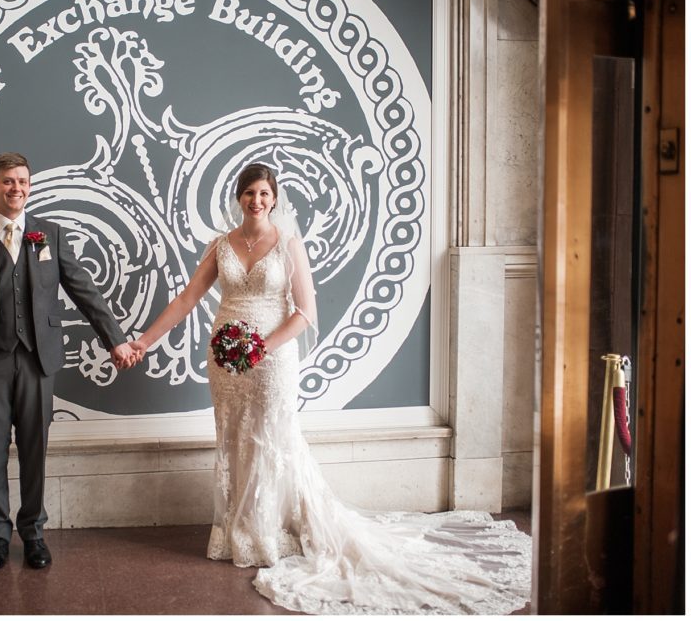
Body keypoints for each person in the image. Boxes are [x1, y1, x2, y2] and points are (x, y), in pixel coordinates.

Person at [128, 163, 531, 614]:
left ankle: (270, 530)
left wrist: (261, 347)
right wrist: (143, 342)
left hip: (272, 357)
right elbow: (187, 299)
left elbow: (304, 312)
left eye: (264, 193)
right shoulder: (220, 246)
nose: (256, 200)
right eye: (249, 193)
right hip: (226, 360)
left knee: (272, 439)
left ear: (275, 199)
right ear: (237, 198)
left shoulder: (289, 245)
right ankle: (237, 531)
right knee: (234, 440)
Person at [0, 152, 138, 572]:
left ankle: (33, 533)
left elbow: (84, 290)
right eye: (9, 181)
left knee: (35, 449)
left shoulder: (48, 234)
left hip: (37, 359)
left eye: (23, 182)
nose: (17, 189)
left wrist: (115, 340)